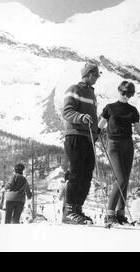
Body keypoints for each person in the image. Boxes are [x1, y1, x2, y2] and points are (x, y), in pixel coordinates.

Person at [98, 81, 140, 225]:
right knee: (120, 179)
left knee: (125, 180)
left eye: (129, 94)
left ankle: (120, 214)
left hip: (128, 145)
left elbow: (139, 131)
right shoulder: (109, 108)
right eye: (123, 92)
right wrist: (94, 135)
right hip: (114, 145)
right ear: (119, 90)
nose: (125, 96)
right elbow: (99, 126)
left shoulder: (132, 110)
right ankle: (110, 214)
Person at [62, 62, 100, 224]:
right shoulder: (74, 89)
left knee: (86, 174)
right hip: (75, 136)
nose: (97, 78)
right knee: (76, 173)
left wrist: (97, 131)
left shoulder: (91, 94)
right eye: (95, 74)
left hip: (88, 137)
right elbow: (67, 112)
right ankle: (69, 211)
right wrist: (81, 117)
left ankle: (77, 209)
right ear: (88, 74)